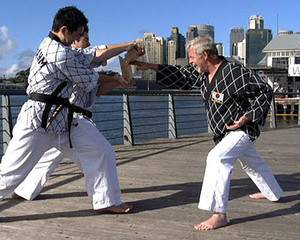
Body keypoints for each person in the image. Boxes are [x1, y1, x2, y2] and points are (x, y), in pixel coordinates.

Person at [131, 37, 283, 230]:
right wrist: (147, 66)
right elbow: (179, 74)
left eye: (193, 57)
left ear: (205, 55)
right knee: (252, 163)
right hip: (223, 133)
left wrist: (248, 116)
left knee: (217, 159)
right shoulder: (202, 74)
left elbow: (265, 90)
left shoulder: (235, 72)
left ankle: (219, 214)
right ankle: (273, 192)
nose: (191, 62)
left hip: (241, 129)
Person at [0, 6, 139, 214]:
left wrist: (128, 46)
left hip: (63, 120)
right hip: (38, 120)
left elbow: (95, 54)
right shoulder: (59, 54)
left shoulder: (59, 47)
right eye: (78, 34)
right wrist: (119, 79)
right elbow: (91, 79)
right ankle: (22, 189)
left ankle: (106, 200)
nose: (80, 38)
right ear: (64, 30)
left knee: (101, 150)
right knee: (10, 172)